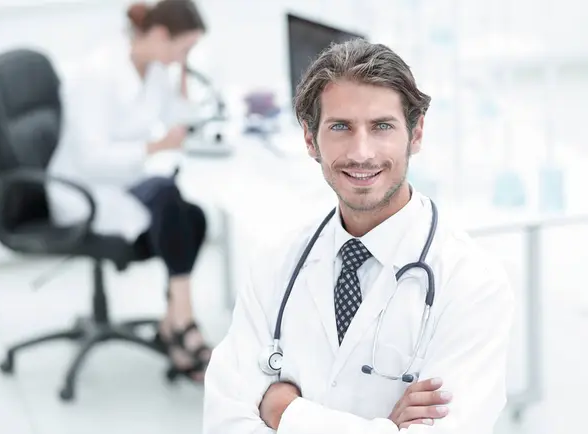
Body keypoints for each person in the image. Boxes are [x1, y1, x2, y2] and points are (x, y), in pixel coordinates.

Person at [202, 39, 515, 433]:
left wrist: (284, 412)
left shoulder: (472, 282)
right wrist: (385, 427)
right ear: (309, 139)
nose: (362, 152)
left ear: (415, 134)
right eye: (340, 127)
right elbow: (223, 419)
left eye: (382, 126)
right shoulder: (275, 264)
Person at [47, 0, 212, 382]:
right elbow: (91, 159)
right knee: (167, 196)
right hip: (82, 191)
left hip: (122, 183)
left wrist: (183, 69)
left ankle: (174, 318)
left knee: (195, 216)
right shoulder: (98, 74)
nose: (182, 58)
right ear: (158, 35)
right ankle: (182, 322)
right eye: (182, 48)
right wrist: (154, 148)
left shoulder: (154, 69)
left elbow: (182, 117)